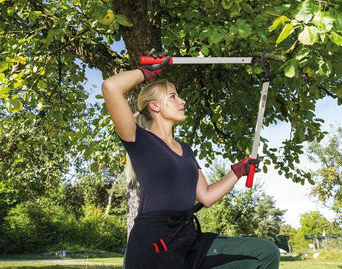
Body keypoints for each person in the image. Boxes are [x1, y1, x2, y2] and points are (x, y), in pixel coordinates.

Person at [102, 50, 280, 269]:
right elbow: (110, 88)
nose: (182, 100)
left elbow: (205, 197)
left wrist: (237, 171)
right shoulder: (139, 140)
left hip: (189, 241)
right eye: (173, 96)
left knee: (265, 253)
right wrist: (147, 72)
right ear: (154, 106)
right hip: (154, 244)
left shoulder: (185, 150)